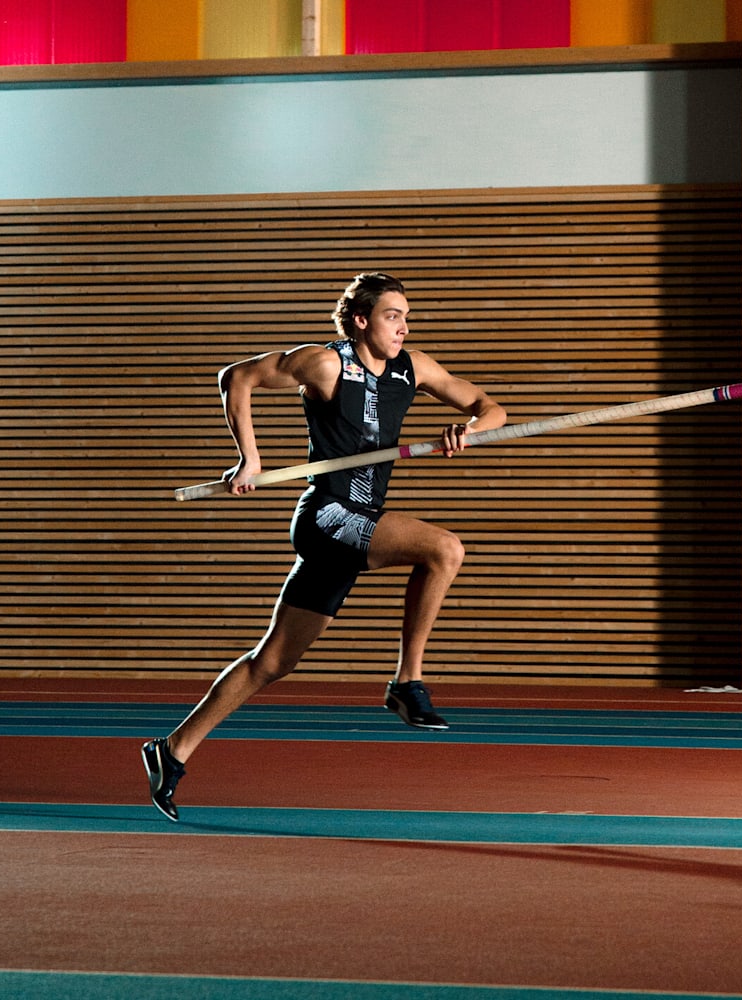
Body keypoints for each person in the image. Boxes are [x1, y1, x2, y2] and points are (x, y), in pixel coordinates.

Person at [142, 272, 506, 822]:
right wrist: (251, 460)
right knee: (445, 550)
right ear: (361, 320)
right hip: (329, 517)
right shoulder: (326, 363)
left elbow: (488, 405)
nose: (404, 326)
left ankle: (171, 751)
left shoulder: (414, 367)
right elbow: (235, 377)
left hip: (361, 519)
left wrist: (469, 430)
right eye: (393, 315)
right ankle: (407, 681)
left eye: (407, 315)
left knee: (272, 661)